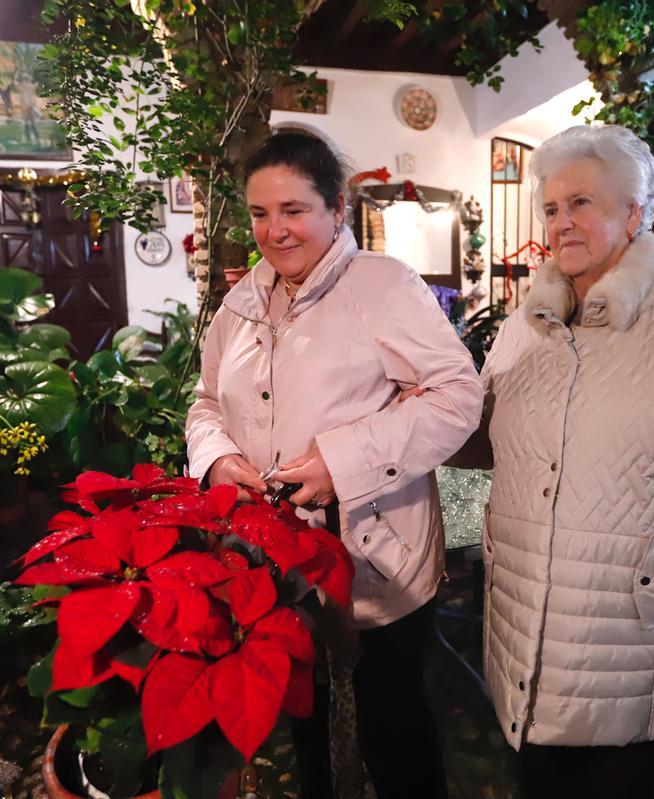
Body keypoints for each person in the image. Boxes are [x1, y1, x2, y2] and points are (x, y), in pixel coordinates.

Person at [454, 124, 654, 798]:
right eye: (550, 208)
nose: (561, 223)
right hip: (523, 620)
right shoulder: (524, 326)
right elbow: (480, 443)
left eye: (582, 204)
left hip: (628, 637)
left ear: (635, 214)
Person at [185, 131, 483, 799]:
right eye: (260, 213)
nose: (275, 230)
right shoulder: (239, 305)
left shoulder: (381, 286)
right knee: (307, 722)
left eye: (293, 209)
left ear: (335, 207)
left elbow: (460, 397)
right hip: (272, 560)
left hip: (375, 553)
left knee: (392, 727)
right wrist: (218, 456)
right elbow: (206, 400)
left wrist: (338, 461)